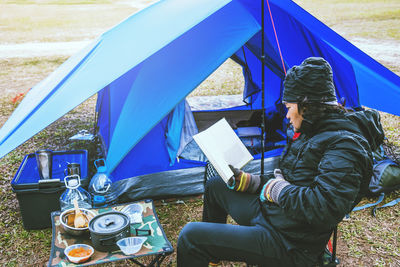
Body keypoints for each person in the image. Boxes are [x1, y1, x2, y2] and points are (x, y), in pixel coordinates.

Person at [177, 57, 385, 267]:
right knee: (216, 185)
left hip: (291, 243)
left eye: (289, 107)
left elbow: (323, 209)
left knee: (191, 236)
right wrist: (252, 181)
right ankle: (210, 256)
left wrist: (276, 189)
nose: (286, 115)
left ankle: (202, 248)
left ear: (307, 105)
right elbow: (291, 178)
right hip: (277, 216)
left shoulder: (345, 147)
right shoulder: (314, 129)